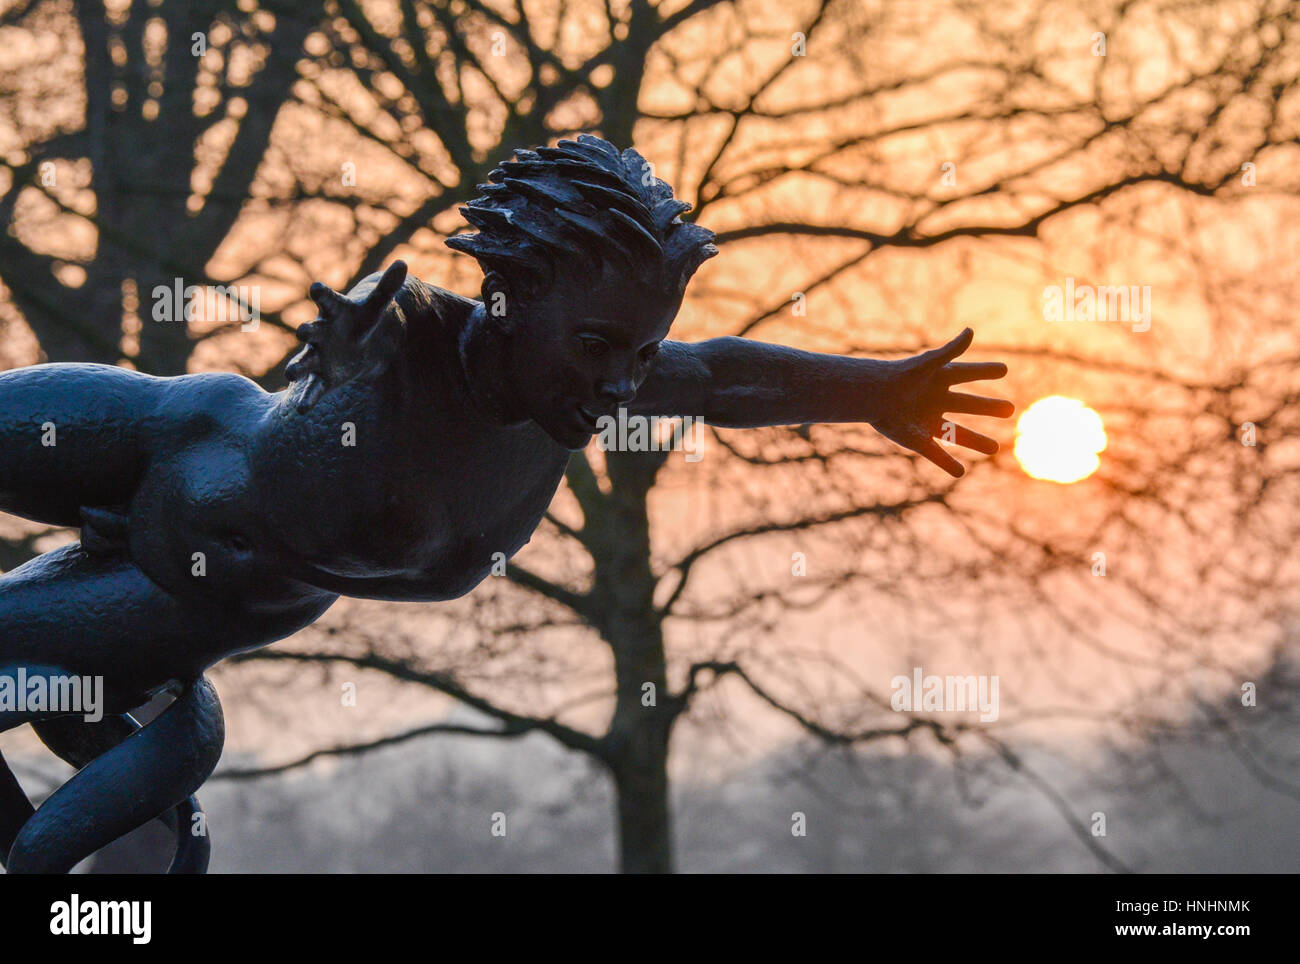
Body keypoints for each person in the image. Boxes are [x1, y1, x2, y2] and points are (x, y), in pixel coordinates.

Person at [0, 133, 1012, 871]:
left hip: (175, 620)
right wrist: (344, 346)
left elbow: (724, 379)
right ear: (508, 302)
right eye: (597, 347)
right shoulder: (413, 346)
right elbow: (379, 312)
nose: (622, 385)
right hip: (150, 445)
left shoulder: (572, 384)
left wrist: (877, 390)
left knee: (138, 842)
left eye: (638, 351)